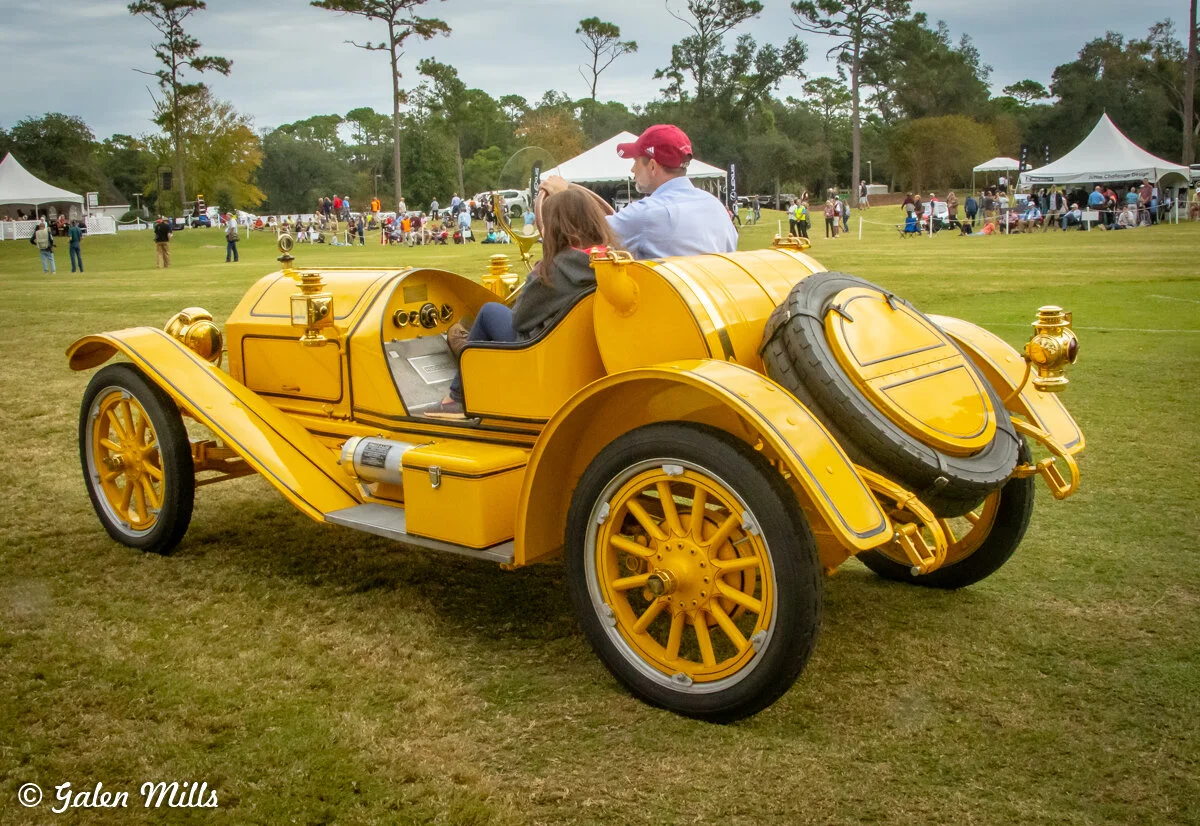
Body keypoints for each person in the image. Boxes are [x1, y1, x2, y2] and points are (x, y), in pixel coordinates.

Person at [435, 185, 620, 416]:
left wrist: (535, 275)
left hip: (541, 349)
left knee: (489, 312)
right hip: (582, 355)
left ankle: (456, 397)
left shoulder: (558, 269)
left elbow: (520, 319)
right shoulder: (612, 259)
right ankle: (473, 354)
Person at [540, 124, 737, 259]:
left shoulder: (646, 214)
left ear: (652, 166)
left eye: (635, 162)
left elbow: (585, 236)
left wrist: (561, 197)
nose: (632, 170)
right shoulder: (715, 206)